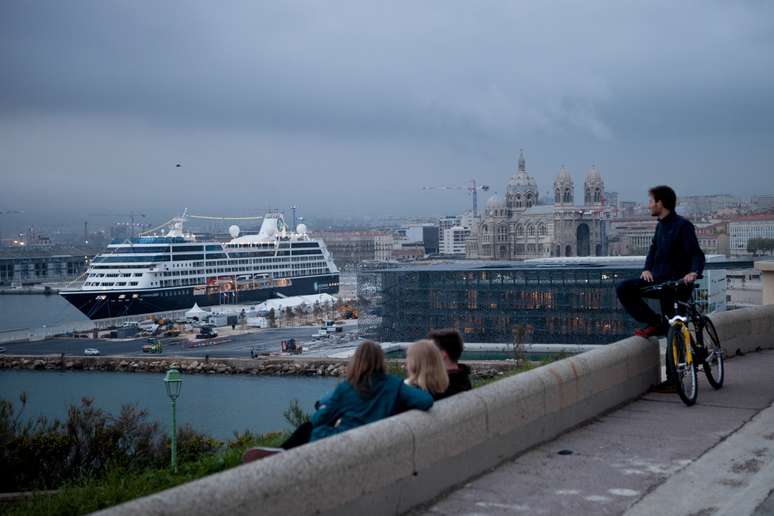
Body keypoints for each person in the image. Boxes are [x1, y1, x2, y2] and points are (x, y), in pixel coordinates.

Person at [243, 340, 433, 463]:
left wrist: (324, 408)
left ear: (357, 361)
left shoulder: (347, 388)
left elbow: (319, 419)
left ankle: (280, 454)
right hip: (380, 439)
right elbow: (425, 401)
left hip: (347, 441)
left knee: (313, 429)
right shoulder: (395, 385)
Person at [616, 185, 705, 338]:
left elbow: (696, 254)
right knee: (623, 288)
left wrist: (693, 272)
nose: (648, 205)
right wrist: (646, 269)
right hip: (659, 281)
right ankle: (654, 322)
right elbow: (653, 249)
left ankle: (690, 356)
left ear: (660, 203)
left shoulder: (683, 226)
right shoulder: (660, 226)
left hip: (678, 284)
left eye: (651, 201)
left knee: (675, 329)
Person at [426, 329, 472, 398]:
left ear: (442, 354)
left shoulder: (438, 388)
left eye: (430, 350)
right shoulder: (463, 380)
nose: (426, 354)